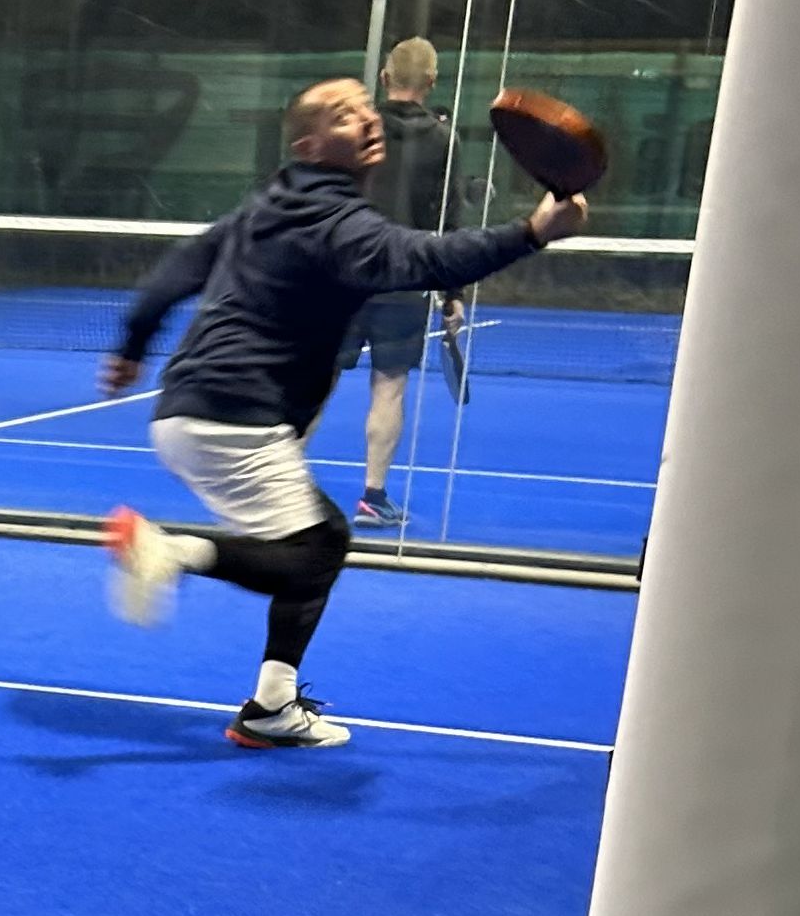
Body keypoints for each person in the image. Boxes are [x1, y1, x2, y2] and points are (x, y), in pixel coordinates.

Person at [100, 75, 587, 750]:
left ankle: (272, 707)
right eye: (342, 114)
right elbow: (421, 258)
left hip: (187, 413)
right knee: (310, 555)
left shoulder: (266, 205)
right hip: (235, 416)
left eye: (363, 105)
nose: (365, 117)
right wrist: (532, 232)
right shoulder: (335, 221)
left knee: (321, 537)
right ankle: (169, 552)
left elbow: (176, 271)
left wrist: (131, 347)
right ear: (309, 145)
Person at [338, 37, 464, 528]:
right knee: (389, 389)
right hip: (404, 281)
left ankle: (278, 492)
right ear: (431, 82)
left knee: (314, 381)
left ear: (384, 77)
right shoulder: (444, 140)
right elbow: (449, 222)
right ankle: (373, 497)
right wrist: (452, 293)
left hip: (342, 279)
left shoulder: (356, 130)